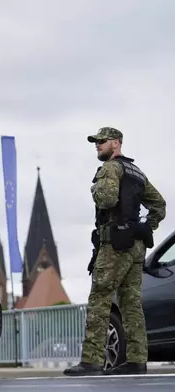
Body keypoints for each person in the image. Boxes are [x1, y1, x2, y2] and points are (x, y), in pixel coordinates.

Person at [64, 127, 166, 377]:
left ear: (116, 144)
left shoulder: (110, 168)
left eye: (102, 141)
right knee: (131, 303)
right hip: (135, 246)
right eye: (96, 142)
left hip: (115, 245)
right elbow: (159, 206)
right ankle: (136, 360)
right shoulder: (136, 171)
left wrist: (95, 189)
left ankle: (91, 361)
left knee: (100, 298)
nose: (97, 145)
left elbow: (107, 201)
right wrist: (143, 228)